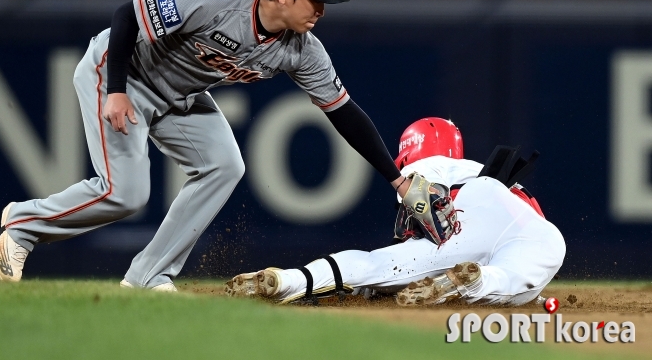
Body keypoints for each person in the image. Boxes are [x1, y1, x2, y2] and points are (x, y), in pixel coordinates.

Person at [0, 0, 412, 290]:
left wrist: (398, 179)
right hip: (123, 73)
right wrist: (116, 90)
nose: (322, 9)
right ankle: (24, 225)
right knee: (126, 194)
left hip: (179, 94)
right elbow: (128, 16)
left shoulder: (304, 50)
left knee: (225, 165)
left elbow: (345, 114)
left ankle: (147, 277)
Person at [226, 118, 566, 306]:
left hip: (464, 212)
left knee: (375, 265)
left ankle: (288, 280)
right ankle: (477, 280)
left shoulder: (427, 165)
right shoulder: (473, 166)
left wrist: (384, 280)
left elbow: (424, 201)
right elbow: (530, 216)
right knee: (511, 280)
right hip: (534, 228)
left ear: (407, 154)